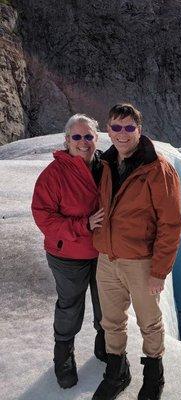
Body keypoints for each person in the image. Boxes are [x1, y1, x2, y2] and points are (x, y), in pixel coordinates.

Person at [92, 103, 181, 400]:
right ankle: (117, 371)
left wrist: (159, 271)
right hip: (107, 258)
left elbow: (170, 224)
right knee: (111, 320)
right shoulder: (105, 164)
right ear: (108, 130)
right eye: (116, 127)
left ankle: (154, 375)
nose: (122, 134)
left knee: (149, 322)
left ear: (139, 130)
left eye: (129, 127)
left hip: (140, 262)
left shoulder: (158, 169)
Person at [31, 114, 107, 389]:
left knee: (106, 305)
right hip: (68, 256)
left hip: (103, 252)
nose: (83, 142)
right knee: (70, 307)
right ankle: (63, 356)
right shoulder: (54, 175)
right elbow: (44, 217)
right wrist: (83, 225)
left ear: (96, 139)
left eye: (88, 136)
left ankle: (105, 346)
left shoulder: (106, 167)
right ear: (66, 141)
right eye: (76, 137)